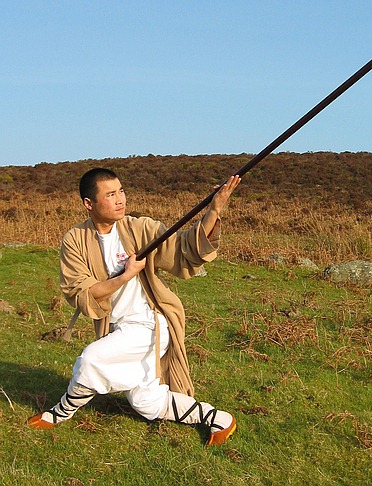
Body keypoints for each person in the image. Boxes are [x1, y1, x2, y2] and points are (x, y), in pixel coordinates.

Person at [27, 167, 241, 445]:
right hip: (116, 328)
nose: (120, 200)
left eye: (122, 191)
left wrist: (213, 210)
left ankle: (59, 413)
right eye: (111, 194)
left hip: (148, 324)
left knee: (91, 359)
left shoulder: (139, 229)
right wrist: (125, 276)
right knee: (146, 402)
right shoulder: (75, 240)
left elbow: (184, 249)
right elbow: (82, 293)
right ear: (88, 204)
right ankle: (220, 419)